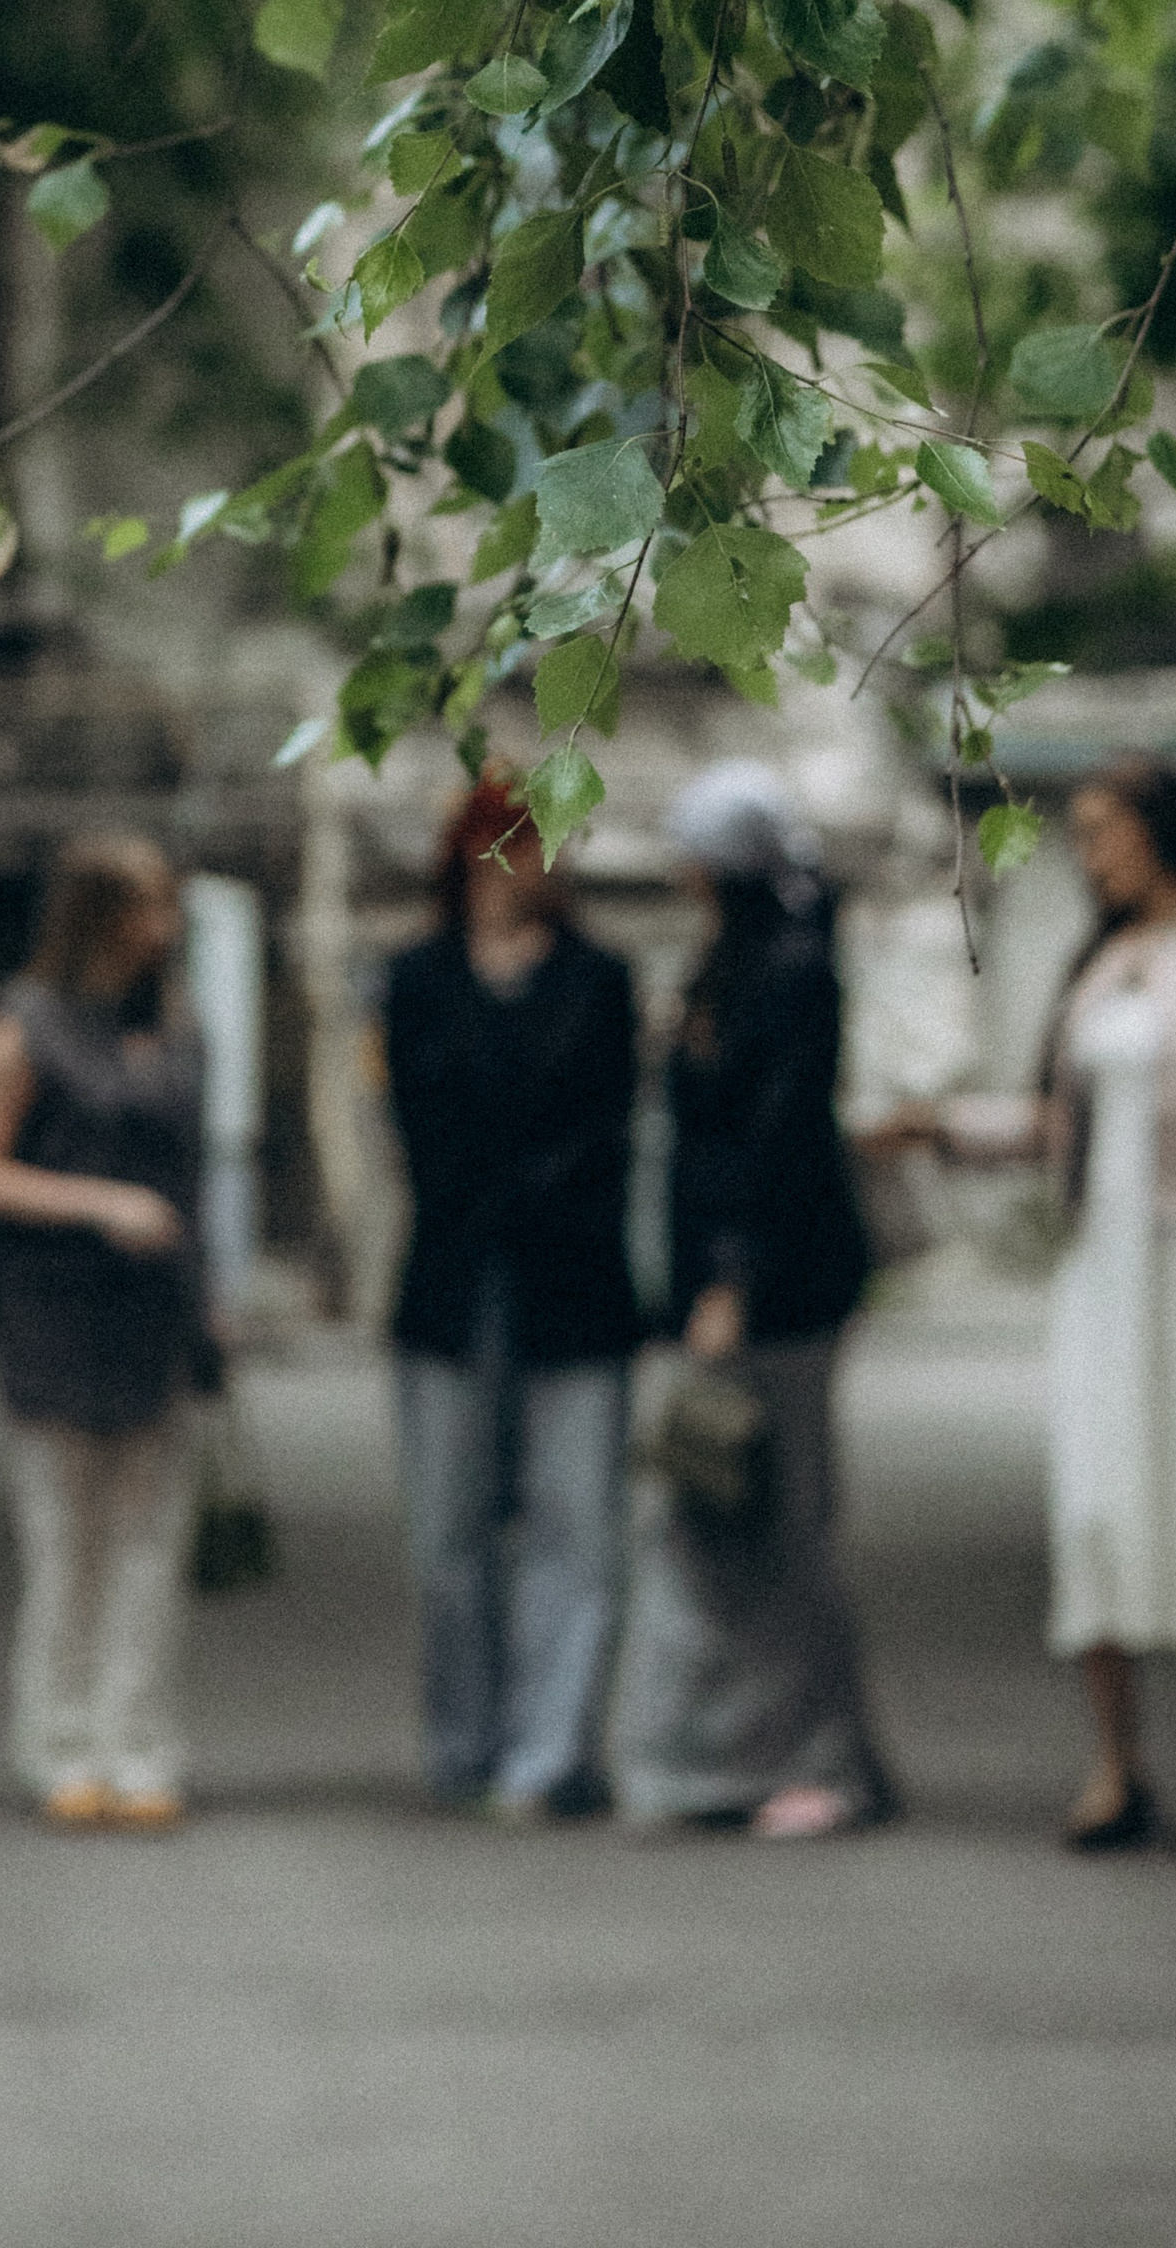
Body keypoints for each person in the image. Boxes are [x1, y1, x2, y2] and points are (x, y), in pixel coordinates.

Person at [882, 753, 1176, 1856]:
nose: (1086, 854)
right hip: (1104, 1274)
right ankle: (1116, 1764)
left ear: (1158, 827)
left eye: (1100, 829)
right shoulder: (1103, 962)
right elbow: (1058, 1126)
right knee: (1098, 1502)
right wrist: (938, 1128)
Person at [614, 762, 893, 1842]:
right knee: (720, 1521)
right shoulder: (746, 960)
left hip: (772, 1295)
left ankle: (820, 1762)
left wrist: (728, 1280)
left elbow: (768, 1139)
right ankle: (727, 1759)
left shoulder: (784, 971)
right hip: (737, 1286)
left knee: (774, 1520)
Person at [383, 768, 639, 1820]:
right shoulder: (415, 978)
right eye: (507, 841)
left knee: (575, 1529)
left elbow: (604, 1130)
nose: (526, 863)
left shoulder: (599, 979)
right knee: (448, 1535)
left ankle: (549, 1750)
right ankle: (466, 1742)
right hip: (450, 1284)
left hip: (571, 1284)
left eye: (540, 842)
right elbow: (419, 1126)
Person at [0, 833, 208, 1831]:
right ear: (97, 915)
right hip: (56, 1311)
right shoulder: (22, 1029)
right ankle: (61, 1745)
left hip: (155, 1318)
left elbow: (196, 1174)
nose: (165, 928)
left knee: (149, 1547)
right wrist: (100, 1205)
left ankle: (139, 1745)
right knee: (66, 1547)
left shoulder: (176, 1026)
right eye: (147, 906)